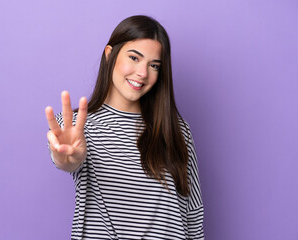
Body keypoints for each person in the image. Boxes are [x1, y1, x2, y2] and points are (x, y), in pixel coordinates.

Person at [45, 15, 204, 239]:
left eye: (154, 65)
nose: (143, 73)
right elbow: (67, 161)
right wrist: (67, 157)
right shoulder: (75, 126)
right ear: (110, 54)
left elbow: (193, 214)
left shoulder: (177, 130)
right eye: (134, 57)